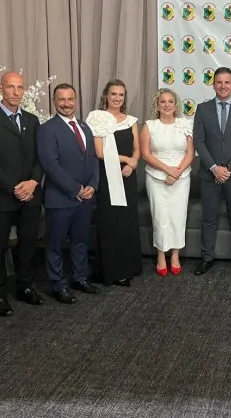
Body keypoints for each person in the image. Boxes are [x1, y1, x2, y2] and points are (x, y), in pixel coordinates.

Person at [0, 71, 44, 317]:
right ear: (0, 89)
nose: (16, 92)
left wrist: (33, 182)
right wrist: (15, 187)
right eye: (10, 87)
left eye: (20, 87)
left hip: (31, 195)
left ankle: (25, 286)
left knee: (28, 245)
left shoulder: (32, 120)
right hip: (3, 196)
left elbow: (40, 157)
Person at [37, 83, 100, 303]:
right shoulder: (47, 129)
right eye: (61, 99)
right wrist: (76, 189)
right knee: (55, 244)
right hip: (60, 199)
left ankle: (80, 278)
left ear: (76, 100)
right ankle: (58, 285)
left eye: (70, 99)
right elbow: (50, 165)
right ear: (54, 102)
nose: (66, 104)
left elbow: (93, 158)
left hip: (86, 198)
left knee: (81, 241)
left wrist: (93, 185)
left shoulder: (84, 126)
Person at [192, 67, 231, 276]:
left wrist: (228, 168)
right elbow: (199, 141)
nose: (223, 86)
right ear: (213, 85)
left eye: (227, 82)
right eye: (219, 82)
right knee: (208, 218)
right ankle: (206, 258)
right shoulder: (202, 109)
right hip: (209, 174)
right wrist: (214, 168)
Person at [86, 79, 143, 287]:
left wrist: (133, 163)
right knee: (111, 223)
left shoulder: (131, 121)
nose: (117, 98)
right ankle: (111, 271)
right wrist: (126, 159)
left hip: (127, 177)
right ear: (106, 96)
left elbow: (137, 149)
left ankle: (128, 267)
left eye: (121, 95)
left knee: (127, 222)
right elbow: (100, 152)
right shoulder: (97, 118)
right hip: (107, 178)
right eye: (113, 94)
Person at [139, 88, 195, 276]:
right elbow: (146, 154)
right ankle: (161, 255)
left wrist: (176, 172)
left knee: (178, 217)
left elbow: (190, 153)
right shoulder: (149, 126)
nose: (167, 105)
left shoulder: (185, 124)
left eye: (170, 101)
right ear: (157, 105)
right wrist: (167, 170)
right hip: (156, 178)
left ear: (175, 105)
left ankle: (175, 255)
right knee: (160, 217)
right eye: (163, 101)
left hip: (181, 177)